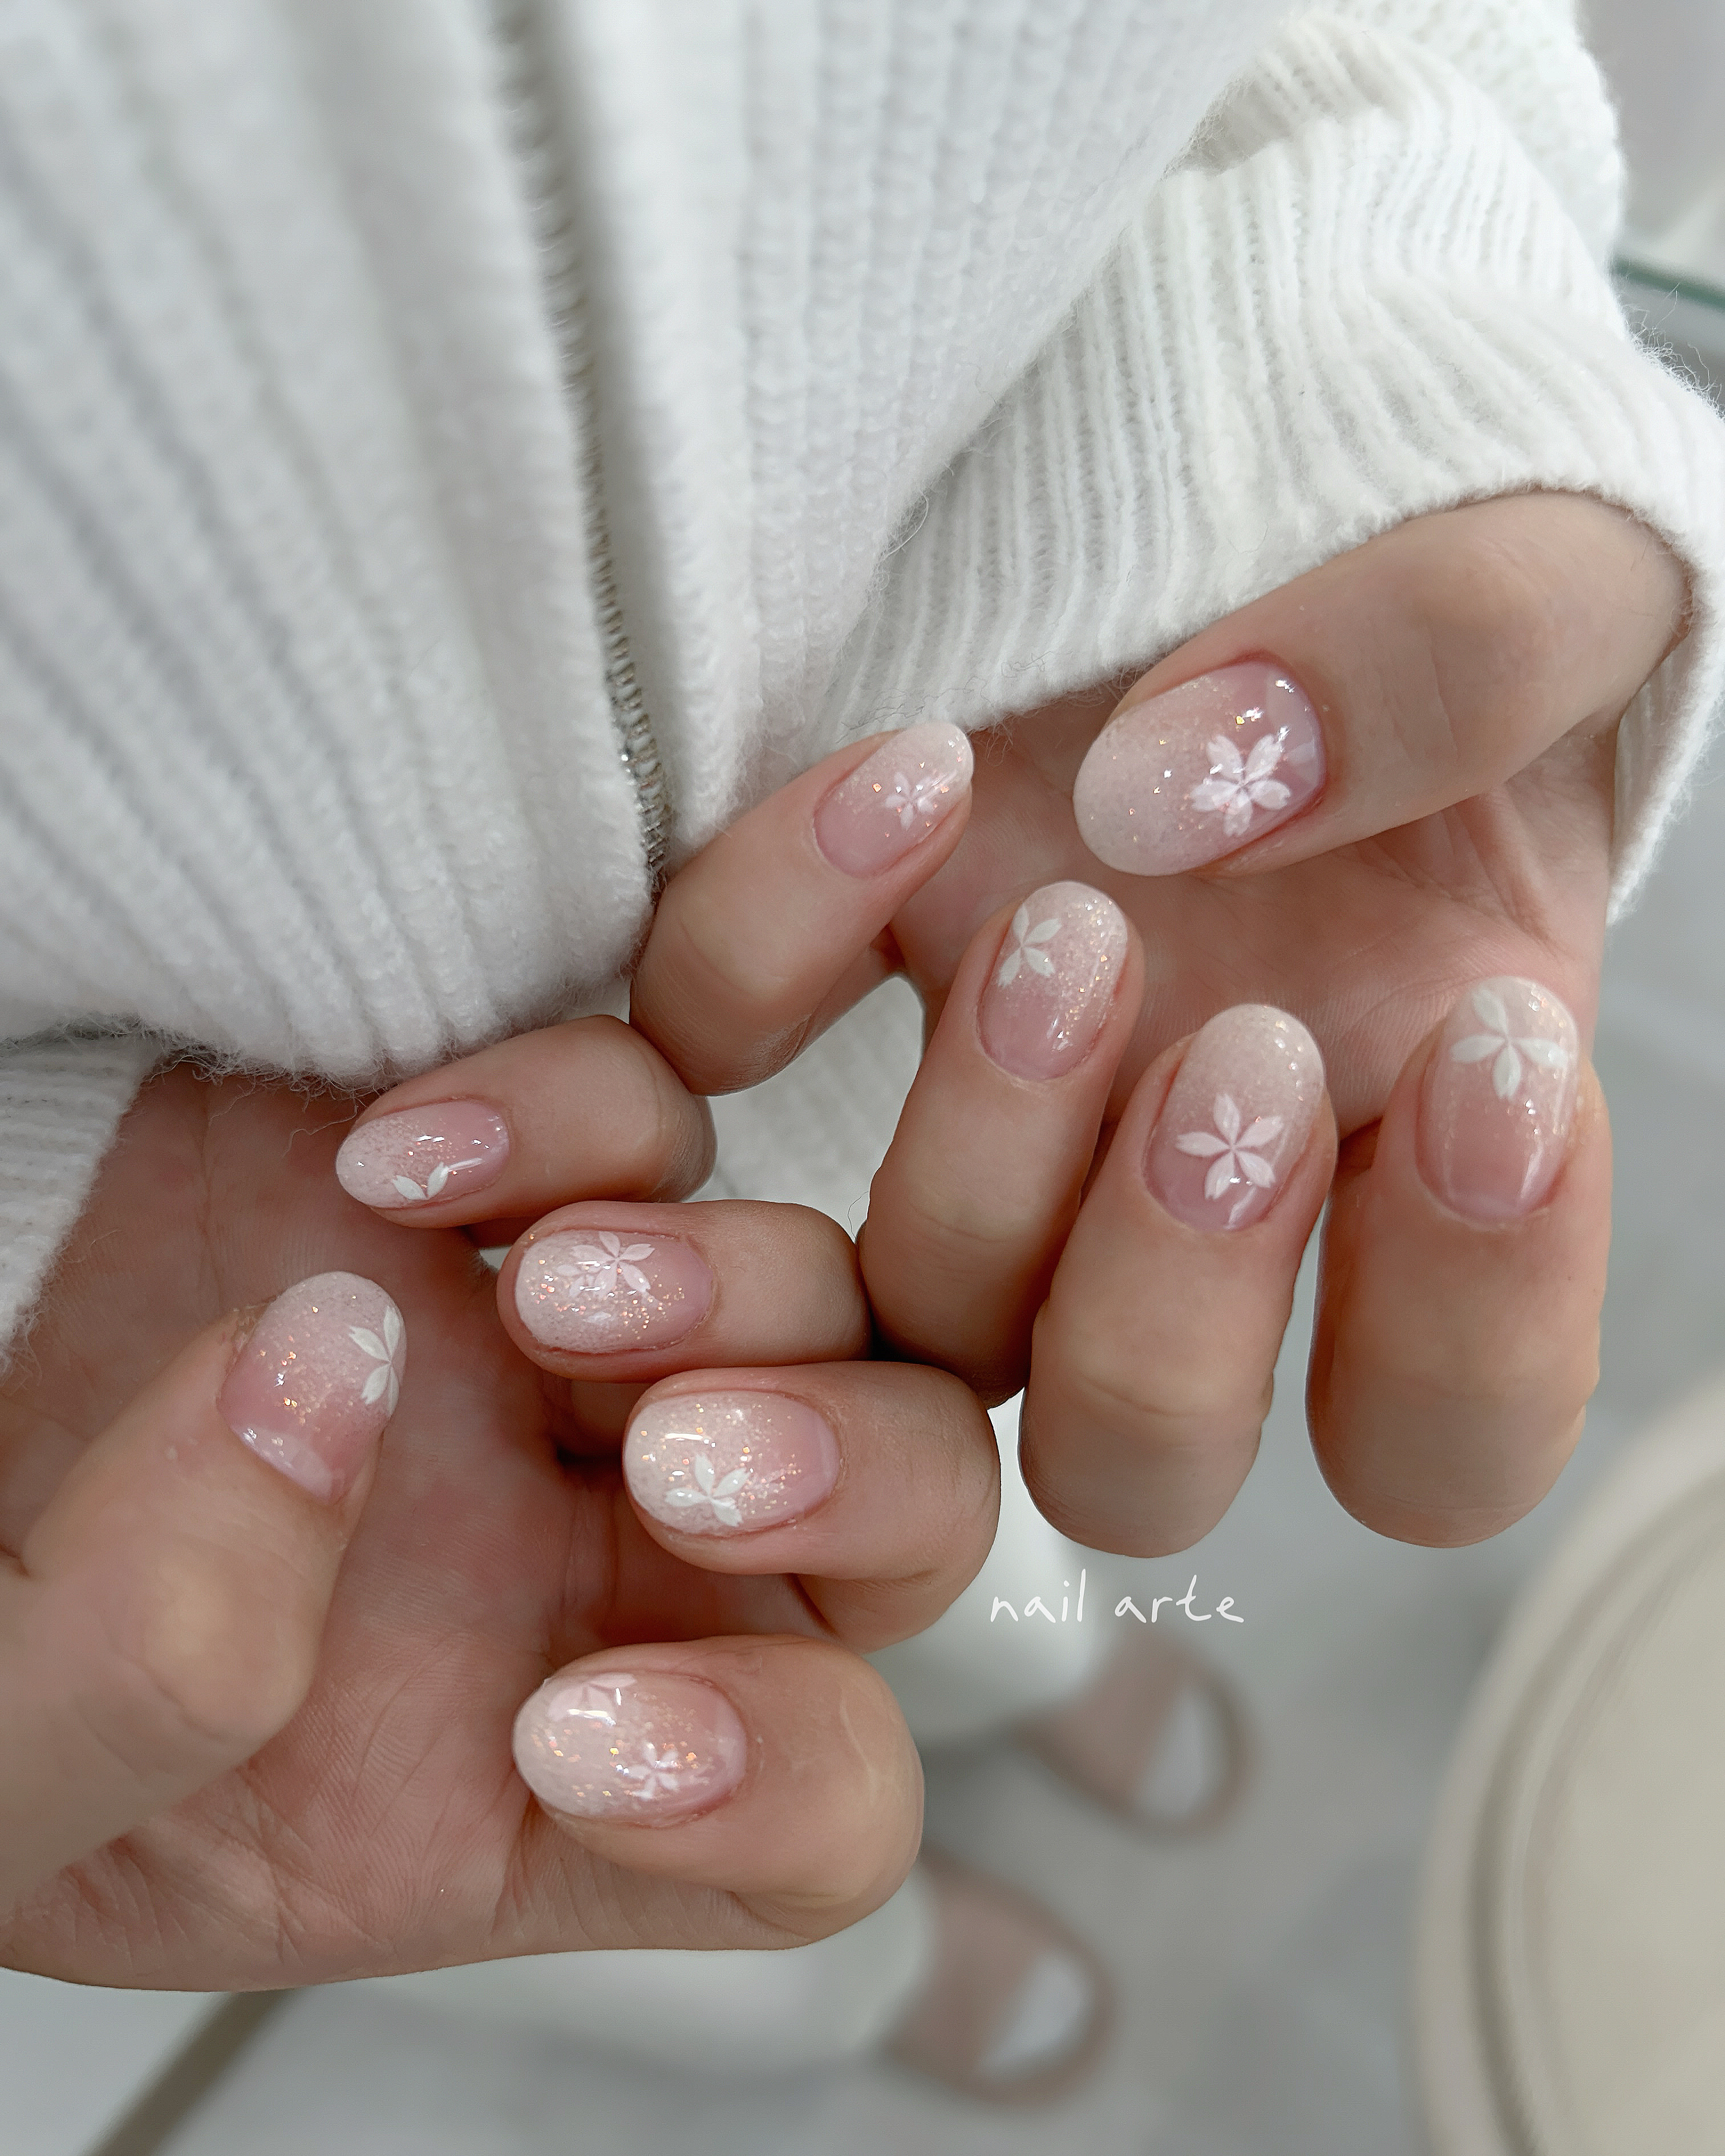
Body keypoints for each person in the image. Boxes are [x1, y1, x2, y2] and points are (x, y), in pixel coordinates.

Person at [2, 0, 1724, 2104]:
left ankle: (1040, 1677)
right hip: (241, 1368)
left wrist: (1328, 393)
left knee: (964, 1514)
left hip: (911, 1059)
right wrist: (28, 1251)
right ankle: (858, 1991)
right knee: (595, 1787)